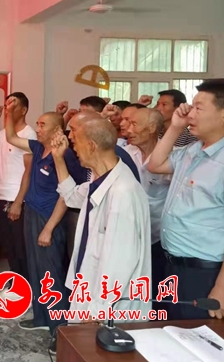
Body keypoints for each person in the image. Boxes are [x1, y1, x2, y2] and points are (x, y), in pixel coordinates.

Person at [4, 100, 84, 354]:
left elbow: (66, 194)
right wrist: (8, 113)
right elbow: (10, 137)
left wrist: (49, 228)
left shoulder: (66, 155)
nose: (37, 129)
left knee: (52, 273)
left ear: (57, 130)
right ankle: (41, 316)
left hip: (50, 219)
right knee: (36, 269)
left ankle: (59, 329)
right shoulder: (38, 148)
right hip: (32, 213)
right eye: (37, 124)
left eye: (42, 125)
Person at [52, 119, 151, 322]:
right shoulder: (101, 181)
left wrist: (97, 310)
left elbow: (121, 261)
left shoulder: (123, 191)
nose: (74, 149)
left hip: (105, 307)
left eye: (76, 143)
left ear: (91, 146)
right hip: (91, 291)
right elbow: (71, 196)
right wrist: (58, 158)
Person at [148, 80, 224, 320]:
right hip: (171, 264)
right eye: (191, 107)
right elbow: (155, 165)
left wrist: (222, 288)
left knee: (196, 336)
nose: (190, 114)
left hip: (203, 273)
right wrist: (175, 128)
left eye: (199, 108)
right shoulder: (193, 150)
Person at [0, 92, 36, 285]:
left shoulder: (28, 134)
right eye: (7, 105)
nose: (8, 109)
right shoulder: (4, 133)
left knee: (20, 247)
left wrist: (18, 202)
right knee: (9, 246)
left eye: (13, 105)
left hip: (17, 199)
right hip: (1, 197)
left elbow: (29, 172)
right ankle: (18, 282)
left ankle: (27, 287)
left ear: (23, 110)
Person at [123, 108, 171, 310]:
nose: (128, 129)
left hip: (157, 236)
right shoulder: (125, 154)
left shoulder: (170, 157)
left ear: (151, 128)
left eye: (134, 124)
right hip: (128, 233)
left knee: (158, 289)